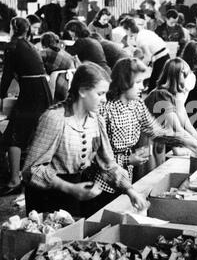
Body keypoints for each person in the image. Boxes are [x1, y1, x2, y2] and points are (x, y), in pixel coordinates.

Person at [22, 62, 149, 218]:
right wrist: (68, 187)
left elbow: (107, 164)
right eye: (100, 93)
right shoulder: (55, 118)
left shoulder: (96, 120)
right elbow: (31, 170)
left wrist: (130, 191)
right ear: (82, 91)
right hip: (45, 197)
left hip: (74, 193)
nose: (104, 99)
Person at [100, 57, 197, 181]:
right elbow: (99, 156)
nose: (142, 87)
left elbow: (158, 132)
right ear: (125, 82)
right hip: (105, 181)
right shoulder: (106, 110)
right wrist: (128, 160)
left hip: (124, 176)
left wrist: (186, 141)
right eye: (138, 82)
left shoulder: (137, 105)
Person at [0, 17, 52, 196]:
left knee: (13, 136)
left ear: (13, 28)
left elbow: (6, 75)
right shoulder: (30, 45)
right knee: (26, 133)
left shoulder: (12, 46)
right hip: (42, 92)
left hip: (31, 93)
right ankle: (22, 175)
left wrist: (1, 95)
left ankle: (15, 180)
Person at [145, 58, 197, 165]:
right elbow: (177, 128)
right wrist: (196, 145)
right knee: (149, 176)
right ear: (179, 76)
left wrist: (195, 136)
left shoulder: (171, 95)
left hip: (158, 142)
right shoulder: (161, 94)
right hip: (147, 143)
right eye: (186, 76)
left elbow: (183, 118)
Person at [121, 15, 170, 92]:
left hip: (161, 58)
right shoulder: (142, 32)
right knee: (154, 82)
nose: (126, 33)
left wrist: (139, 69)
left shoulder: (140, 39)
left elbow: (147, 57)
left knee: (153, 84)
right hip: (162, 56)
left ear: (129, 29)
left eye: (125, 31)